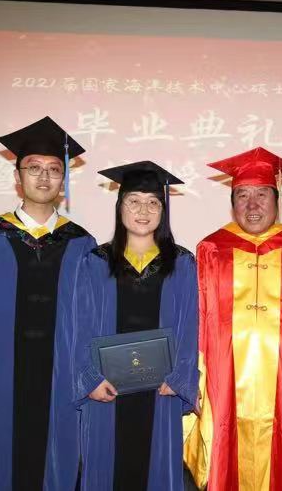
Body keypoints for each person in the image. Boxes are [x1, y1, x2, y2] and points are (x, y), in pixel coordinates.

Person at [0, 116, 95, 490]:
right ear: (17, 177)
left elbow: (89, 317)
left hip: (61, 373)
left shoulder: (82, 243)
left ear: (63, 180)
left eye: (54, 169)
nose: (44, 177)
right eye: (34, 168)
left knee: (55, 460)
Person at [184, 147, 282, 491]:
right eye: (242, 195)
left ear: (277, 200)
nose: (252, 204)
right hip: (223, 378)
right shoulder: (211, 249)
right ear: (232, 203)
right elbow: (197, 317)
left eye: (262, 194)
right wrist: (193, 380)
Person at [72, 161, 199, 491]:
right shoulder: (95, 261)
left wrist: (180, 378)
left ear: (163, 211)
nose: (144, 210)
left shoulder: (181, 263)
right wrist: (90, 379)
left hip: (161, 390)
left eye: (153, 202)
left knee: (155, 468)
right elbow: (79, 326)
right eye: (134, 201)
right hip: (107, 391)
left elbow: (190, 326)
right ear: (120, 207)